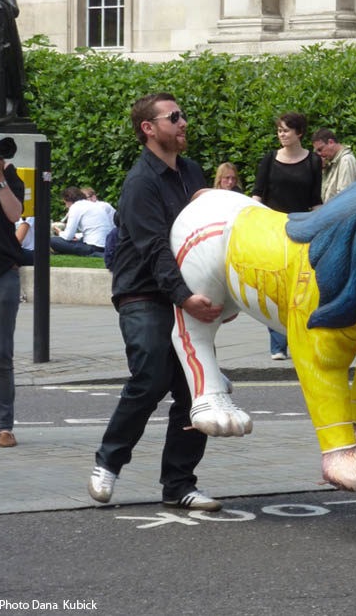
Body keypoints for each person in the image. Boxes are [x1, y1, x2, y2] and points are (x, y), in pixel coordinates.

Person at [87, 92, 224, 511]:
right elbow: (155, 250)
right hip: (143, 291)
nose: (184, 123)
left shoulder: (192, 172)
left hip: (183, 292)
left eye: (183, 115)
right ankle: (108, 462)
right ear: (149, 128)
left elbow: (204, 239)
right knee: (151, 376)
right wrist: (186, 298)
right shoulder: (140, 182)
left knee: (194, 388)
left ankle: (179, 485)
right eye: (174, 117)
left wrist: (215, 299)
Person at [252, 112, 322, 359]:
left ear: (299, 133)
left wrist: (322, 225)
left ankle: (300, 336)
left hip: (302, 228)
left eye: (286, 130)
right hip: (273, 228)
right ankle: (278, 345)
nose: (281, 134)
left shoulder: (313, 161)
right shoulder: (269, 159)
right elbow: (257, 194)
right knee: (275, 286)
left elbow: (315, 201)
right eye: (279, 130)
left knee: (302, 284)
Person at [0, 142, 24, 447]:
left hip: (2, 273)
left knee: (0, 353)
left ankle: (4, 425)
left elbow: (15, 215)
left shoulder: (9, 176)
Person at [50, 186, 114, 257]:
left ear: (68, 200)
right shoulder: (92, 204)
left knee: (52, 240)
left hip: (93, 246)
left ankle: (91, 253)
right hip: (105, 245)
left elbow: (68, 236)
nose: (66, 206)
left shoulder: (75, 207)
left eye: (65, 203)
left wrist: (60, 232)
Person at [311, 128, 356, 202]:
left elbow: (345, 198)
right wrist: (323, 169)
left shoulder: (346, 160)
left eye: (320, 149)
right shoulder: (334, 162)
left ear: (331, 142)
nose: (319, 154)